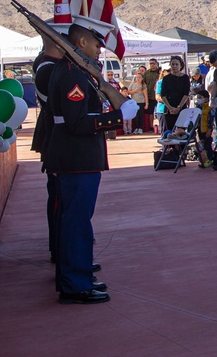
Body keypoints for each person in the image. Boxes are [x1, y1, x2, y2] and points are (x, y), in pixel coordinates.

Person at [46, 19, 138, 304]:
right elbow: (75, 123)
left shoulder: (76, 71)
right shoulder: (73, 75)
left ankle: (76, 275)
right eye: (96, 44)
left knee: (73, 221)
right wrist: (116, 117)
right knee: (76, 222)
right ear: (81, 42)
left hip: (75, 158)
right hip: (77, 158)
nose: (100, 49)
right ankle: (76, 284)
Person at [31, 29, 67, 267]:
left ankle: (67, 247)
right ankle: (62, 249)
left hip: (59, 138)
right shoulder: (49, 68)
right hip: (59, 139)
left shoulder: (50, 65)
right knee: (60, 198)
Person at [159, 56, 190, 133]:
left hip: (181, 107)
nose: (174, 66)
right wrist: (170, 107)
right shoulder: (166, 79)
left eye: (176, 64)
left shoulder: (185, 77)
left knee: (181, 132)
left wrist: (179, 107)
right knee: (170, 131)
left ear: (181, 65)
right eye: (173, 64)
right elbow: (163, 95)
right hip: (169, 108)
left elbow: (186, 94)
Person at [143, 58, 160, 134]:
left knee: (160, 112)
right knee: (150, 112)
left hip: (159, 95)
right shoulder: (146, 73)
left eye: (153, 63)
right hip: (150, 95)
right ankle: (151, 126)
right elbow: (143, 84)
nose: (152, 65)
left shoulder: (160, 72)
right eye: (150, 63)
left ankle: (160, 126)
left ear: (157, 64)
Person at [127, 65, 146, 134]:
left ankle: (140, 128)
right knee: (135, 116)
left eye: (139, 77)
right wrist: (135, 90)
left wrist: (147, 103)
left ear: (142, 78)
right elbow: (128, 92)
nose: (138, 79)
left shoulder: (143, 85)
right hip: (134, 102)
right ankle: (136, 128)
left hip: (141, 102)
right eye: (137, 77)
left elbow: (145, 95)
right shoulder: (132, 84)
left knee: (141, 115)